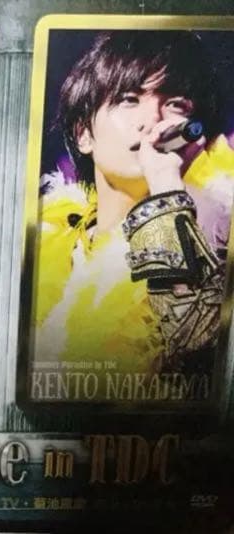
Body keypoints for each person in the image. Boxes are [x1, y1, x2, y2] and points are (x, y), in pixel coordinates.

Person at [34, 31, 234, 400]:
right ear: (84, 134)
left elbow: (195, 355)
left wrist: (165, 189)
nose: (151, 120)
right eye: (129, 99)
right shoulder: (39, 238)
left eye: (175, 104)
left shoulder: (219, 242)